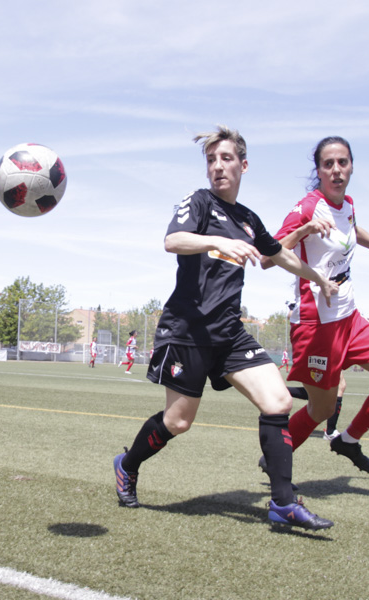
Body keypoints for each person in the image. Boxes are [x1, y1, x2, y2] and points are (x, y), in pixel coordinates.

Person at [112, 126, 339, 531]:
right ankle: (126, 465)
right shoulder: (199, 203)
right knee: (178, 422)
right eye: (212, 160)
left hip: (229, 333)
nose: (218, 166)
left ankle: (283, 503)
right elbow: (173, 241)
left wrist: (317, 279)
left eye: (227, 159)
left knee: (277, 402)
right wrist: (215, 240)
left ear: (243, 165)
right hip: (188, 331)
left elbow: (280, 257)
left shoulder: (249, 218)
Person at [261, 136, 369, 475]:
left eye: (342, 162)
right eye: (328, 164)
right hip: (317, 325)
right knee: (320, 409)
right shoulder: (306, 207)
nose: (336, 170)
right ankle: (274, 462)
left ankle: (347, 440)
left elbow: (353, 230)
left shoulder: (347, 204)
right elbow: (266, 257)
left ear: (351, 167)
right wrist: (304, 229)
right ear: (318, 170)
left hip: (350, 317)